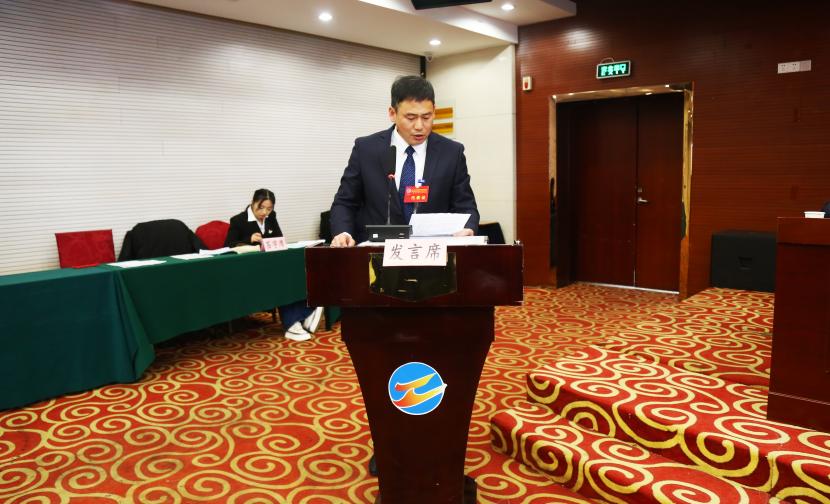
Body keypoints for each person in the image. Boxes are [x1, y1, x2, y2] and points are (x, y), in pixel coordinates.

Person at [329, 75, 479, 246]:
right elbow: (345, 202)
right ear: (392, 113)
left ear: (434, 111)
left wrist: (468, 228)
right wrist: (343, 233)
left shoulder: (451, 152)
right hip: (377, 254)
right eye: (411, 117)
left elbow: (466, 206)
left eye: (426, 117)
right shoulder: (366, 149)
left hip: (431, 253)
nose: (419, 126)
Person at [226, 189, 323, 342]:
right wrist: (248, 239)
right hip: (250, 269)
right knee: (281, 279)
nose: (265, 212)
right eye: (261, 208)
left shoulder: (271, 217)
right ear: (253, 203)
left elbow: (279, 238)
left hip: (271, 265)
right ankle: (293, 322)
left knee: (294, 271)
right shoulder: (238, 220)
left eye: (269, 209)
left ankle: (305, 313)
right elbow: (227, 246)